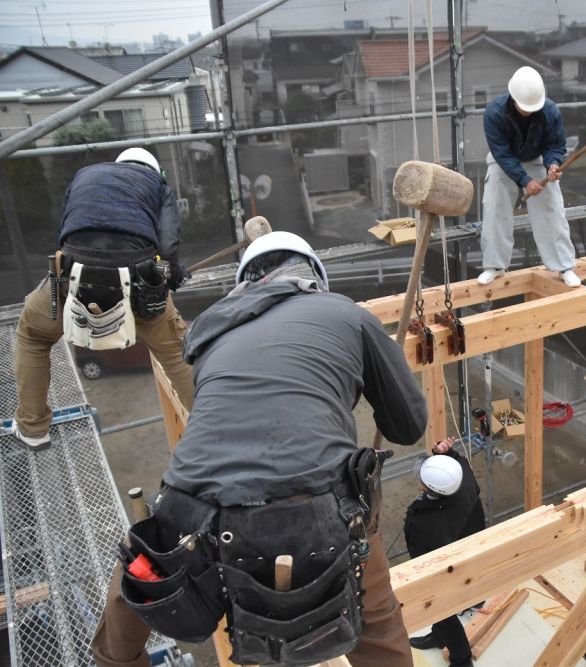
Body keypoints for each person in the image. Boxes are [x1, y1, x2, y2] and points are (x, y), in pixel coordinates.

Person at [91, 231, 427, 667]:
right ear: (312, 279)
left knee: (135, 588)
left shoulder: (211, 335)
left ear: (244, 284)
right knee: (376, 622)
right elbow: (408, 425)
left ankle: (113, 658)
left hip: (190, 508)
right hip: (321, 508)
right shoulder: (344, 313)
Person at [12, 147, 193, 451]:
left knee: (33, 335)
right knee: (176, 354)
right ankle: (212, 429)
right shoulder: (159, 187)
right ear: (155, 171)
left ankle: (32, 428)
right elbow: (167, 246)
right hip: (136, 280)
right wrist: (172, 275)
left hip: (71, 273)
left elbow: (67, 233)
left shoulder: (84, 176)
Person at [478, 65, 580, 289]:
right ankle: (494, 265)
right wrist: (524, 181)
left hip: (537, 159)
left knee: (552, 207)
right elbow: (502, 154)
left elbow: (555, 144)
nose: (529, 111)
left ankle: (564, 265)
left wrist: (553, 164)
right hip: (503, 160)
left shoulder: (550, 110)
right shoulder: (494, 113)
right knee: (494, 205)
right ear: (513, 98)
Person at [404, 437, 486, 667]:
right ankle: (440, 635)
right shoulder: (465, 477)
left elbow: (421, 560)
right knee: (443, 614)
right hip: (471, 548)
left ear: (428, 488)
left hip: (450, 566)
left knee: (443, 610)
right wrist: (446, 452)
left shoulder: (426, 524)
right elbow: (456, 462)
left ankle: (461, 659)